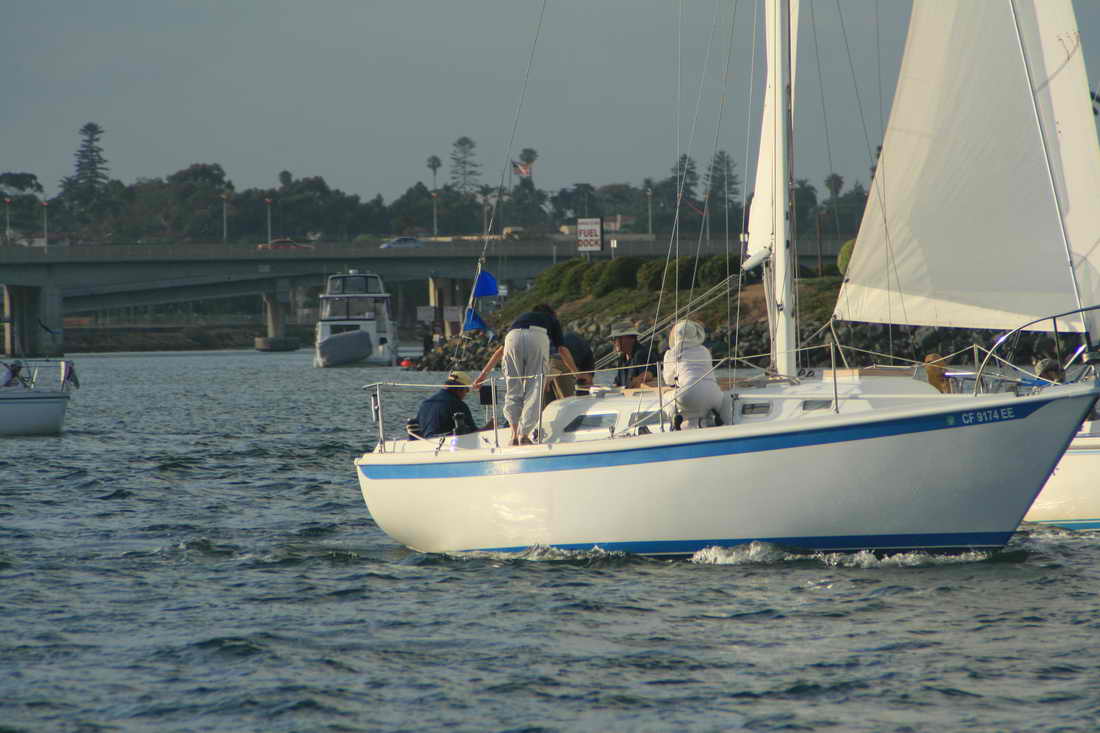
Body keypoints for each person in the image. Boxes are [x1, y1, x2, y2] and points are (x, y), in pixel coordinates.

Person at [474, 304, 577, 445]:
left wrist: (482, 375)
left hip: (512, 338)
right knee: (534, 389)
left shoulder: (521, 319)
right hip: (537, 337)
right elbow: (562, 350)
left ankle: (513, 435)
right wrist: (576, 373)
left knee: (513, 389)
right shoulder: (551, 319)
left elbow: (500, 351)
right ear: (551, 313)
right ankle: (524, 435)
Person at [661, 320, 733, 429]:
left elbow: (668, 380)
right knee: (703, 401)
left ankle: (675, 417)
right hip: (715, 395)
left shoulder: (671, 353)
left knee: (665, 397)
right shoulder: (705, 351)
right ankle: (709, 417)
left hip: (688, 395)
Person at [412, 371, 479, 439]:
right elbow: (474, 434)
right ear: (460, 389)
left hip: (424, 443)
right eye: (467, 390)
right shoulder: (459, 405)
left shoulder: (425, 403)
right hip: (447, 444)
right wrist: (486, 427)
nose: (466, 394)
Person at [609, 321, 657, 388]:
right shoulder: (622, 358)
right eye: (612, 339)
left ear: (630, 338)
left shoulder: (641, 354)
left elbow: (648, 375)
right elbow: (617, 383)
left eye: (615, 338)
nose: (613, 342)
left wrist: (636, 381)